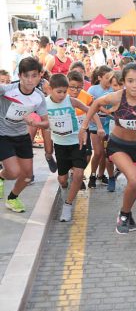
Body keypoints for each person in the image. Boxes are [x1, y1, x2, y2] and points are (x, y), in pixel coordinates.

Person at [79, 63, 136, 234]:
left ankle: (128, 213)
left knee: (134, 186)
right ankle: (123, 215)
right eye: (130, 81)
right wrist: (84, 127)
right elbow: (96, 103)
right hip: (118, 145)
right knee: (135, 180)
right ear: (124, 82)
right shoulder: (117, 97)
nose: (135, 85)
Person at [46, 74, 103, 221]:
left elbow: (91, 111)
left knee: (78, 174)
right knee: (62, 179)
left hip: (77, 143)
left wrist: (100, 127)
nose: (63, 95)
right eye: (59, 92)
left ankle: (68, 204)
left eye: (65, 91)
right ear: (50, 90)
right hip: (60, 145)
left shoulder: (71, 101)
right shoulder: (44, 104)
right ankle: (66, 189)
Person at [0, 57, 49, 213]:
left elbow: (47, 123)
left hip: (22, 136)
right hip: (3, 135)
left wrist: (34, 123)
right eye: (26, 76)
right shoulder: (7, 90)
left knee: (27, 176)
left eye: (34, 75)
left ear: (39, 76)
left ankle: (12, 198)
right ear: (19, 75)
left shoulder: (39, 96)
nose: (30, 80)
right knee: (14, 172)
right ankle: (2, 176)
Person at [87, 66, 114, 189]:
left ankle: (101, 175)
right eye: (107, 77)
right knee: (97, 152)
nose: (109, 80)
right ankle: (92, 175)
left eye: (111, 77)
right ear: (99, 78)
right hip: (94, 125)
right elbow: (90, 107)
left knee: (105, 153)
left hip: (109, 126)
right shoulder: (93, 89)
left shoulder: (114, 89)